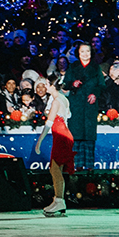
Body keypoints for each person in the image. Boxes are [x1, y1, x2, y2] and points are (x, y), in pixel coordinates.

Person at [37, 75, 73, 217]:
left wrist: (40, 141)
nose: (45, 87)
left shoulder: (57, 101)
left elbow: (49, 123)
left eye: (46, 84)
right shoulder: (64, 99)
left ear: (53, 86)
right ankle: (58, 199)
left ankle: (59, 201)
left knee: (55, 169)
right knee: (55, 169)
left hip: (61, 136)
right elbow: (67, 117)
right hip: (64, 135)